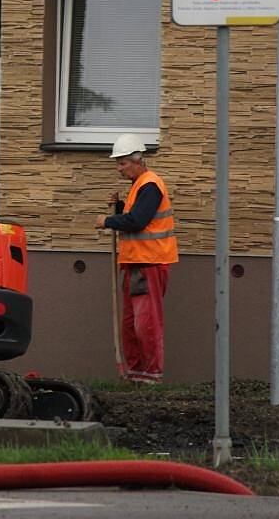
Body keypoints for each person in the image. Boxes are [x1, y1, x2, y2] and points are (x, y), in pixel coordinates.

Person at [95, 133, 178, 384]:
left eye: (122, 163)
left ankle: (151, 374)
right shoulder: (139, 187)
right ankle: (136, 373)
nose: (118, 169)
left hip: (149, 264)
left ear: (137, 159)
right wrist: (120, 208)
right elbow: (137, 217)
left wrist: (107, 221)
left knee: (147, 323)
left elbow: (138, 221)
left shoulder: (150, 185)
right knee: (132, 324)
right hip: (136, 265)